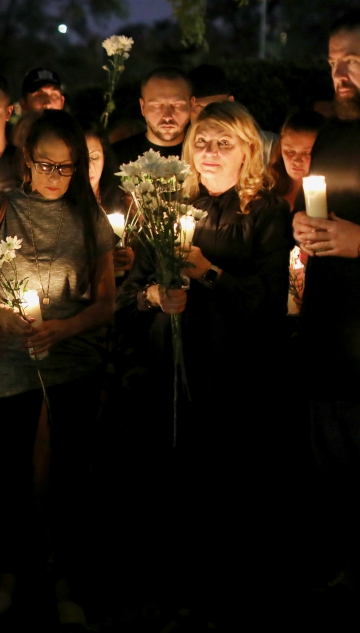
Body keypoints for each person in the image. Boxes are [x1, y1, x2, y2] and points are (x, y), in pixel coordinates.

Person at [122, 101, 292, 607]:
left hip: (236, 374)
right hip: (171, 370)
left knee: (228, 485)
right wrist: (155, 296)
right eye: (202, 142)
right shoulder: (167, 206)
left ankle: (225, 597)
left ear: (248, 153)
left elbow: (269, 297)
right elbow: (129, 293)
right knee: (172, 480)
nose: (210, 153)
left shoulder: (265, 212)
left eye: (224, 144)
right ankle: (171, 591)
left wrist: (206, 272)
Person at [0, 110, 116, 618]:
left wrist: (66, 327)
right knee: (12, 471)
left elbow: (108, 302)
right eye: (46, 165)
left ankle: (65, 579)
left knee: (70, 472)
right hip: (13, 356)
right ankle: (10, 573)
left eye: (66, 169)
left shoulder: (91, 219)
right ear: (27, 161)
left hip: (75, 356)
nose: (55, 178)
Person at [291, 9, 360, 586]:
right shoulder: (333, 131)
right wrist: (303, 226)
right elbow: (314, 202)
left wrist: (358, 239)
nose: (341, 74)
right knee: (330, 459)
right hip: (329, 325)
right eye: (335, 63)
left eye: (354, 62)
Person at [189, 64, 279, 160]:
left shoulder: (267, 147)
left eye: (217, 107)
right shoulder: (178, 155)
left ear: (230, 102)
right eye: (198, 107)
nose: (209, 114)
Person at [112, 67, 192, 166]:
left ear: (191, 104)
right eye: (157, 106)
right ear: (143, 107)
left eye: (177, 105)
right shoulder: (115, 158)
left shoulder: (204, 158)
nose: (167, 116)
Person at [83, 121, 133, 276]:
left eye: (95, 157)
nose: (89, 166)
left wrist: (130, 256)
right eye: (81, 158)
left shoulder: (123, 200)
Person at [269, 109, 325, 210]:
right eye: (290, 151)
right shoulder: (266, 187)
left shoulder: (336, 194)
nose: (297, 160)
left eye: (307, 153)